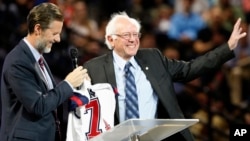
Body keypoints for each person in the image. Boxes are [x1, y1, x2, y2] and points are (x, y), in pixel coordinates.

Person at [83, 11, 246, 141]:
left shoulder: (153, 57)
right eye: (127, 35)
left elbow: (190, 69)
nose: (133, 40)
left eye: (136, 35)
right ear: (111, 40)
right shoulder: (94, 68)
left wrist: (228, 47)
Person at [0, 3, 89, 141]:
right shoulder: (18, 61)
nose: (58, 39)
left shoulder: (38, 58)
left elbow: (51, 97)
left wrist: (77, 84)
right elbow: (38, 106)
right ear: (38, 29)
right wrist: (69, 84)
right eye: (54, 33)